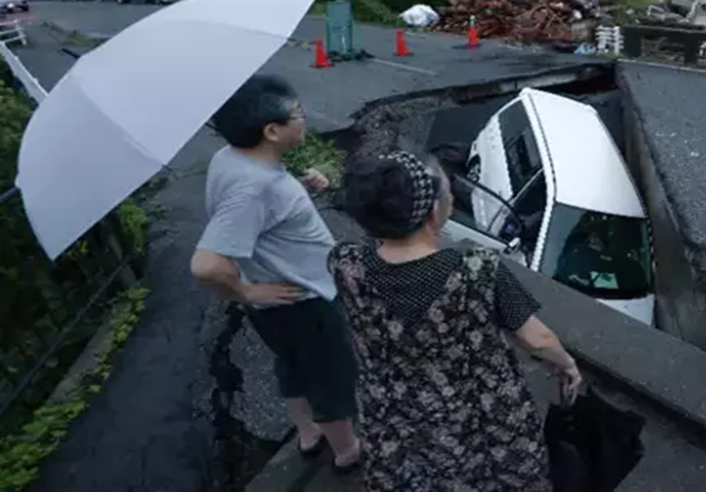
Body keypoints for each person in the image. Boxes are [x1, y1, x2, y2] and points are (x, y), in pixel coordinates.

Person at [332, 149, 583, 492]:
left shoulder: (346, 264)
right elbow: (537, 339)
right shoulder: (475, 269)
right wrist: (566, 364)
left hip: (395, 411)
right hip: (481, 412)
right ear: (433, 211)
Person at [190, 75, 362, 472]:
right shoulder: (257, 186)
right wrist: (248, 294)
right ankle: (347, 450)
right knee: (330, 376)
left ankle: (307, 433)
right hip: (304, 299)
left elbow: (257, 210)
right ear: (271, 131)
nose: (304, 119)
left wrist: (299, 189)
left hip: (277, 301)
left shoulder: (232, 158)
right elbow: (205, 265)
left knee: (291, 364)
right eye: (297, 114)